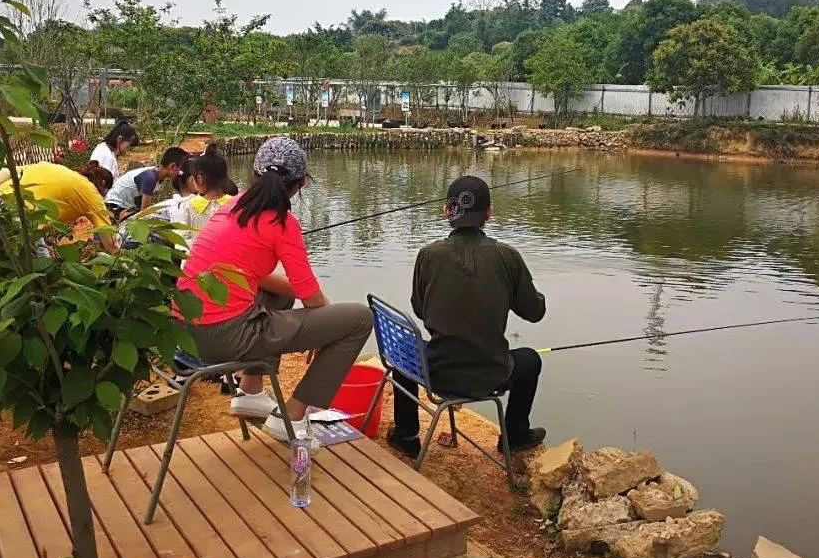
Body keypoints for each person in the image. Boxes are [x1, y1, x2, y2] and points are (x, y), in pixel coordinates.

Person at [174, 136, 372, 447]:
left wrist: (319, 313)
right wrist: (327, 321)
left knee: (282, 293)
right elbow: (311, 297)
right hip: (222, 336)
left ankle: (251, 391)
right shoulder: (282, 222)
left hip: (185, 329)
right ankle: (291, 417)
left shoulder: (234, 206)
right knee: (359, 319)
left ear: (254, 173)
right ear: (301, 183)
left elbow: (269, 279)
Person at [388, 174, 547, 459]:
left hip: (436, 372)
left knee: (402, 349)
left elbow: (420, 309)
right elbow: (535, 313)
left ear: (447, 211)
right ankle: (515, 436)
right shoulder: (508, 257)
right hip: (492, 375)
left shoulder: (428, 255)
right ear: (489, 212)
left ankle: (407, 436)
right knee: (530, 360)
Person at [0, 160, 118, 253]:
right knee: (42, 271)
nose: (103, 198)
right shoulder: (92, 193)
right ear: (102, 184)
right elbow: (109, 242)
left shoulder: (53, 168)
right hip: (22, 217)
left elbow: (9, 171)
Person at [116, 157, 198, 250]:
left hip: (122, 233)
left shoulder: (176, 201)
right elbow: (182, 236)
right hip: (129, 239)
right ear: (192, 180)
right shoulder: (184, 204)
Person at [104, 146, 188, 219]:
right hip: (115, 207)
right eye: (181, 170)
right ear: (172, 166)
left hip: (124, 206)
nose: (182, 173)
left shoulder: (156, 174)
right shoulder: (150, 178)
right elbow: (144, 212)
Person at [181, 144, 234, 249]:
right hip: (228, 258)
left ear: (199, 179)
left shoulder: (191, 206)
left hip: (200, 256)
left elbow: (184, 237)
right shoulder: (234, 205)